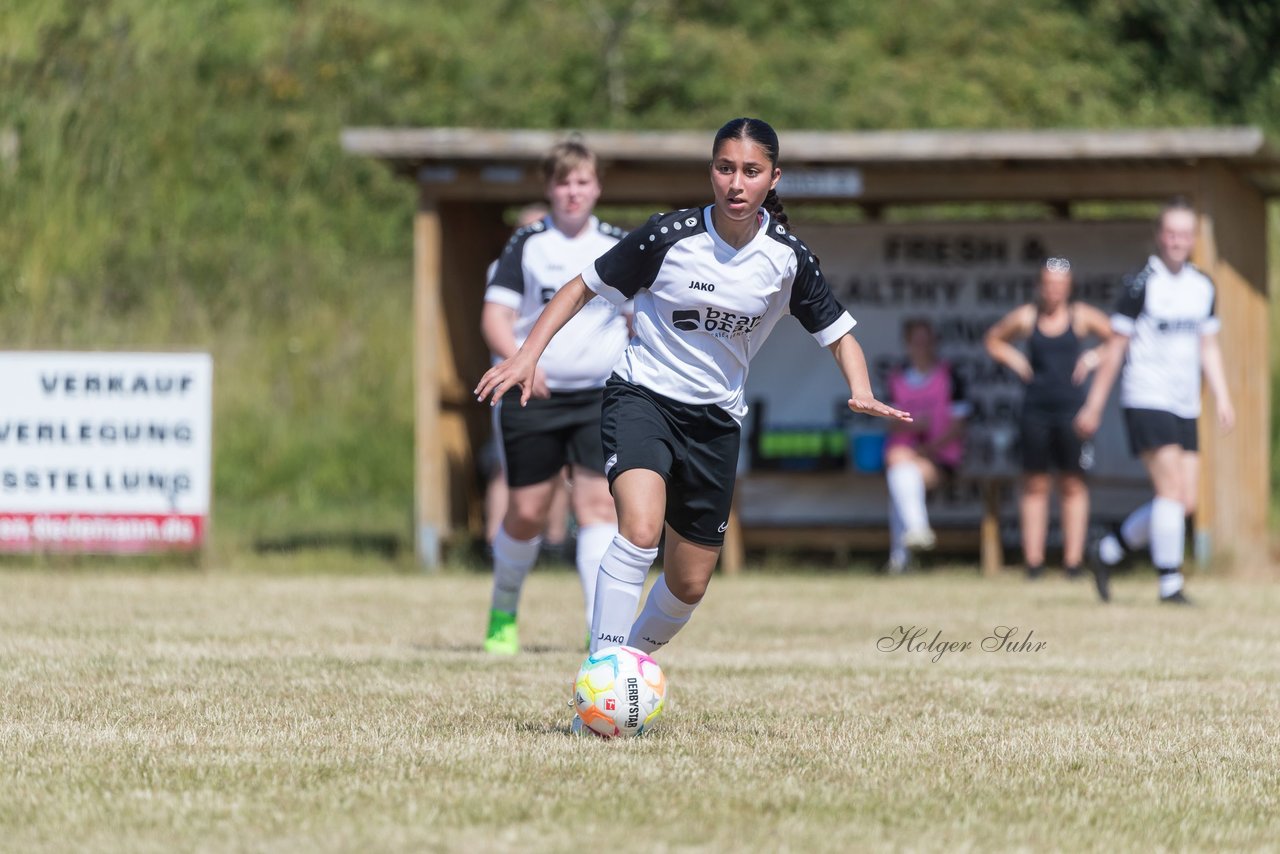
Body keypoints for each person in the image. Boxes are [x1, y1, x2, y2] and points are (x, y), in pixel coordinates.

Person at [474, 117, 911, 730]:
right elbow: (580, 288)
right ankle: (600, 676)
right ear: (712, 171)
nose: (736, 182)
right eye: (725, 168)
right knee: (639, 527)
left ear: (772, 178)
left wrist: (861, 390)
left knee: (689, 585)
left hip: (714, 423)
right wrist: (526, 354)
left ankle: (625, 665)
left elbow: (840, 335)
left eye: (751, 171)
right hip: (642, 397)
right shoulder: (668, 235)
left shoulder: (786, 258)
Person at [479, 142, 628, 654]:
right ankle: (503, 610)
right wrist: (522, 359)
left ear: (597, 188)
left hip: (602, 396)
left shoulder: (618, 244)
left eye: (582, 182)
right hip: (532, 398)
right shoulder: (528, 243)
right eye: (563, 183)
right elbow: (495, 317)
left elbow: (643, 314)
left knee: (598, 507)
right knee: (527, 511)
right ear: (549, 188)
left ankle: (600, 632)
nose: (573, 192)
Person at [1074, 198, 1234, 604]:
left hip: (1185, 403)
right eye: (1171, 233)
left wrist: (1223, 396)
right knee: (1170, 492)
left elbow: (1208, 346)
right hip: (1146, 395)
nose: (1178, 241)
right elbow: (1114, 348)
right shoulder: (1142, 283)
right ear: (1159, 236)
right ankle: (1170, 584)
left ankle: (1107, 550)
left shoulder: (1203, 285)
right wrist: (1094, 405)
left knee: (1185, 501)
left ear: (1194, 239)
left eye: (1186, 234)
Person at [984, 257, 1113, 580]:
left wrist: (1092, 357)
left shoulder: (1081, 317)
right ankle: (1034, 562)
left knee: (1072, 482)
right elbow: (994, 339)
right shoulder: (1028, 317)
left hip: (1072, 410)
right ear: (1039, 286)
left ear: (1068, 287)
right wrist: (1016, 360)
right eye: (1048, 285)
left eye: (1060, 285)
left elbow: (1117, 339)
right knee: (1035, 483)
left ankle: (1072, 562)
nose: (1054, 291)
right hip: (1035, 410)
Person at [479, 203, 572, 561]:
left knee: (562, 464)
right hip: (515, 378)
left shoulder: (567, 264)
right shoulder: (502, 269)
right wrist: (524, 361)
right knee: (507, 467)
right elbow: (500, 320)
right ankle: (493, 544)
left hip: (557, 380)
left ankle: (555, 542)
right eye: (529, 230)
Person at [880, 318, 970, 574]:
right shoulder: (896, 378)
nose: (922, 346)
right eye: (916, 340)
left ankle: (902, 553)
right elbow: (888, 421)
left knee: (900, 474)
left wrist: (928, 448)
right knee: (900, 471)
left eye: (926, 340)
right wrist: (912, 425)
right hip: (904, 452)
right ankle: (915, 532)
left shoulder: (950, 376)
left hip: (940, 455)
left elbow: (959, 424)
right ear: (907, 344)